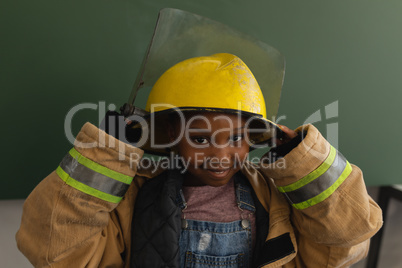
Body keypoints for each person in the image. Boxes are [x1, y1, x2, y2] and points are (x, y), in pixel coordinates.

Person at [16, 53, 382, 267]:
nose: (221, 156)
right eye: (200, 138)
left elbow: (346, 244)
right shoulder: (132, 198)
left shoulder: (273, 198)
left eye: (237, 138)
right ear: (169, 138)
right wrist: (107, 154)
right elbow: (55, 252)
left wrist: (306, 163)